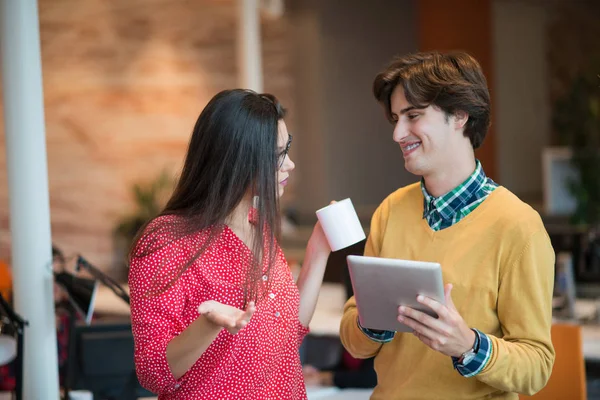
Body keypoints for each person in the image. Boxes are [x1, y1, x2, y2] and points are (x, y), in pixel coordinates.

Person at [339, 51, 555, 399]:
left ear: (459, 115)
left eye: (413, 116)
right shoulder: (390, 211)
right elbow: (354, 342)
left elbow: (537, 367)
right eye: (395, 118)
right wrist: (371, 322)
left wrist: (467, 345)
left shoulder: (518, 225)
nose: (397, 133)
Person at [128, 89, 332, 399]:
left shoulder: (256, 226)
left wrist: (318, 252)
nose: (289, 164)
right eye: (278, 155)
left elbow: (287, 335)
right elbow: (154, 371)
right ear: (238, 158)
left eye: (286, 149)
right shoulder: (167, 240)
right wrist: (209, 325)